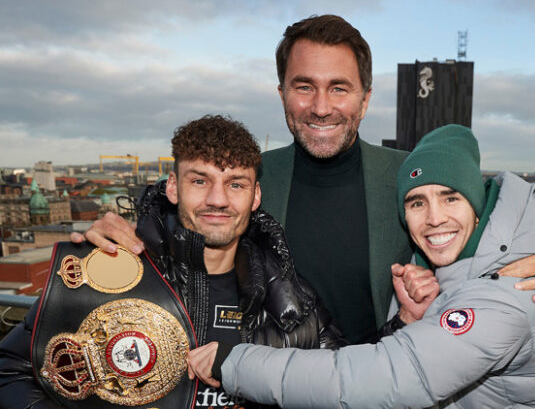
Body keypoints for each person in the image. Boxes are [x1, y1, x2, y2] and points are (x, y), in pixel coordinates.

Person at [72, 14, 535, 345]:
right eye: (304, 87)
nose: (321, 107)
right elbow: (184, 213)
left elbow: (490, 225)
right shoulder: (249, 178)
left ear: (365, 99)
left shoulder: (409, 179)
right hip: (265, 390)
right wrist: (116, 235)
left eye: (339, 88)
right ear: (283, 93)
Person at [215, 124, 535, 408]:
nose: (434, 218)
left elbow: (388, 377)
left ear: (477, 207)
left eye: (450, 198)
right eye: (416, 203)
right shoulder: (446, 268)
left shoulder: (507, 293)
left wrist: (234, 363)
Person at [0, 115, 345, 409]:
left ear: (254, 196)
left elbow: (341, 384)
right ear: (174, 188)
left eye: (235, 184)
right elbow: (10, 368)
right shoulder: (106, 269)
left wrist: (401, 325)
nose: (218, 200)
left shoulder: (292, 301)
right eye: (200, 181)